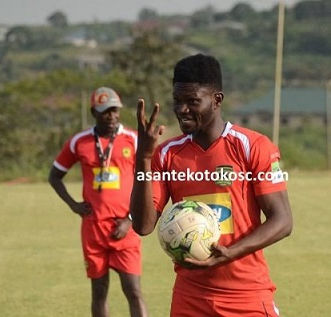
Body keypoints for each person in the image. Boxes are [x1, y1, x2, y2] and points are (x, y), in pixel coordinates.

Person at [119, 54, 293, 316]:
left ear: (217, 100)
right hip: (190, 298)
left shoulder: (252, 146)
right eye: (177, 101)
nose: (182, 109)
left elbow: (282, 221)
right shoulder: (166, 154)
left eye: (192, 101)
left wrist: (230, 253)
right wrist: (143, 159)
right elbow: (143, 226)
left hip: (245, 295)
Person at [48, 87, 147, 317]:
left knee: (133, 290)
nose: (111, 116)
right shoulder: (79, 142)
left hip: (125, 227)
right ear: (94, 112)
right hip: (93, 228)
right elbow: (55, 176)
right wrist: (74, 205)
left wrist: (130, 220)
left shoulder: (132, 139)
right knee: (99, 291)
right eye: (105, 112)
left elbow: (147, 181)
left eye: (115, 111)